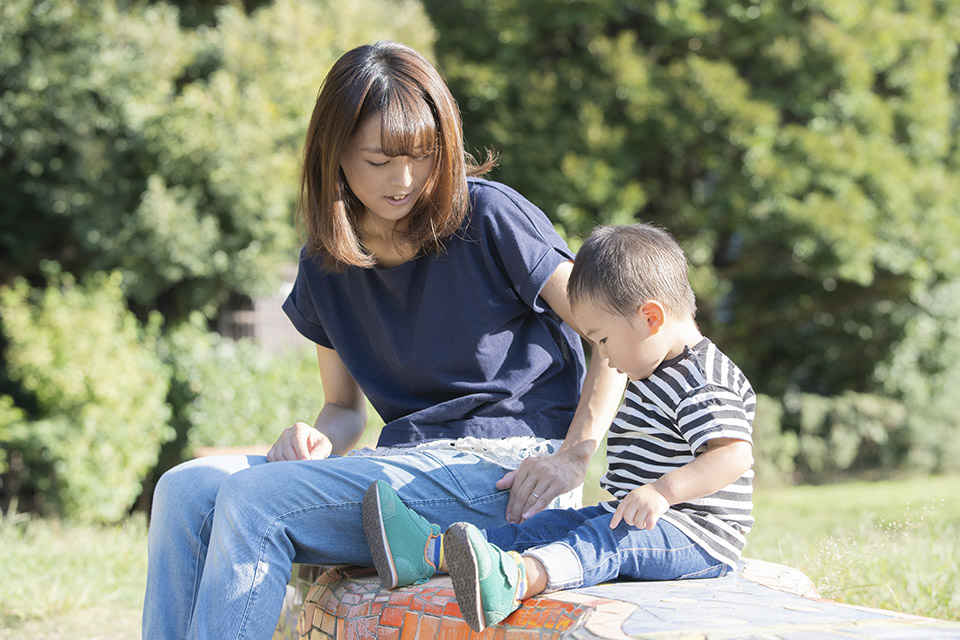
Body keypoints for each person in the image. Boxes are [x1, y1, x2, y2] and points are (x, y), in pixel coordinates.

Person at [141, 41, 625, 640]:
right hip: (404, 468)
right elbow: (344, 411)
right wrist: (317, 438)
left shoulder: (492, 217)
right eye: (377, 160)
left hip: (506, 471)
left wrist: (575, 454)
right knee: (185, 487)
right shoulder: (325, 263)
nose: (404, 180)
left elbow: (613, 331)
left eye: (422, 156)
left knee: (255, 499)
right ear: (335, 153)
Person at [363, 223, 756, 633]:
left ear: (650, 317)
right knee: (553, 526)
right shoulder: (653, 367)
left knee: (603, 542)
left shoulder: (703, 381)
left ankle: (516, 579)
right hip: (640, 517)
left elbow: (733, 454)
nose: (601, 355)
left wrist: (663, 491)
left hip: (697, 535)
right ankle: (429, 553)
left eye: (602, 340)